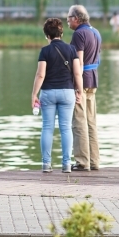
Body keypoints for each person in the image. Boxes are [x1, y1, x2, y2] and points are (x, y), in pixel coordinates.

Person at [31, 18, 83, 173]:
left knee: (47, 128)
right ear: (61, 32)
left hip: (48, 93)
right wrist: (79, 90)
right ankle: (66, 164)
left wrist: (34, 94)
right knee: (66, 128)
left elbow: (40, 75)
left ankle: (46, 164)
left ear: (47, 34)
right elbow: (77, 73)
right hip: (67, 93)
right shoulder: (71, 50)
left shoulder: (45, 51)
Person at [68, 5, 102, 172]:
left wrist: (77, 87)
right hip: (93, 79)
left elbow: (79, 62)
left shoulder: (79, 34)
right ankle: (94, 161)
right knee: (91, 122)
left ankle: (82, 162)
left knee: (79, 122)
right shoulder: (95, 32)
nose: (67, 21)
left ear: (76, 18)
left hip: (82, 80)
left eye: (69, 18)